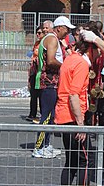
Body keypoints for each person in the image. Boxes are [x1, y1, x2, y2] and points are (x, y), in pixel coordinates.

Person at [32, 16, 75, 158]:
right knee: (46, 115)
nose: (68, 32)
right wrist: (65, 67)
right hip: (48, 82)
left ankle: (46, 144)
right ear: (59, 28)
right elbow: (50, 60)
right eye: (66, 29)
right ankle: (39, 147)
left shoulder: (54, 39)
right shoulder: (51, 39)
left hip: (52, 82)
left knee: (50, 116)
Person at [55, 38, 92, 185]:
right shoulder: (81, 64)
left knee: (71, 161)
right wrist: (80, 124)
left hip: (64, 114)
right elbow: (74, 94)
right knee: (84, 161)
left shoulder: (69, 59)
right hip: (73, 116)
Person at [26, 25, 44, 122]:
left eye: (39, 33)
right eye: (37, 32)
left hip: (40, 72)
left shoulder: (44, 43)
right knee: (33, 94)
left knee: (41, 94)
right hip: (34, 71)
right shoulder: (36, 43)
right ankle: (32, 114)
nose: (37, 34)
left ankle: (42, 114)